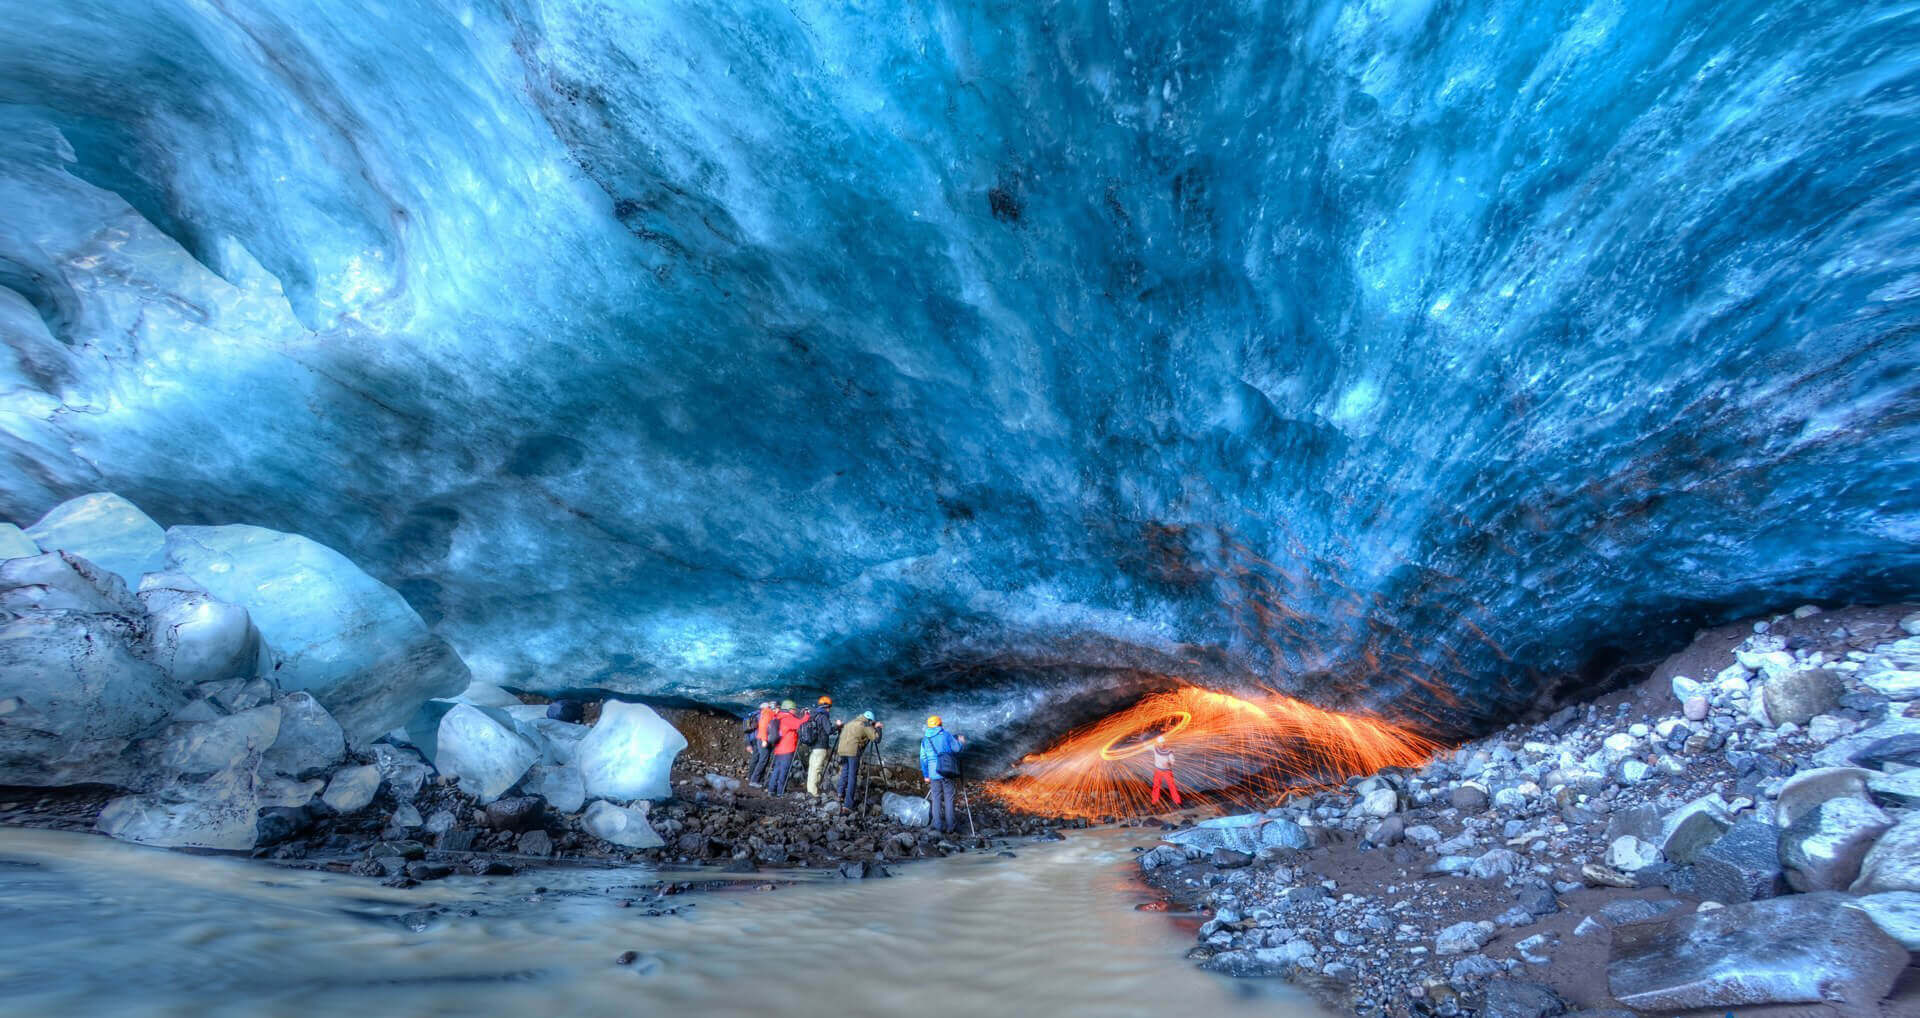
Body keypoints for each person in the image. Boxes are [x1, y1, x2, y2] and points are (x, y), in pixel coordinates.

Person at [918, 715, 966, 834]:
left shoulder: (925, 739)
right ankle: (951, 826)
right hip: (947, 771)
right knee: (949, 798)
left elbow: (923, 759)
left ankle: (938, 825)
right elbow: (957, 749)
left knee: (936, 798)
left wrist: (926, 775)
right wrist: (961, 741)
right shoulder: (946, 735)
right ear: (940, 724)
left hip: (934, 774)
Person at [836, 710, 882, 809]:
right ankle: (848, 804)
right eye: (872, 722)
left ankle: (840, 794)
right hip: (852, 752)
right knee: (852, 776)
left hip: (842, 750)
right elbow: (876, 739)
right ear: (869, 720)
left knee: (845, 771)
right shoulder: (865, 724)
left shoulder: (850, 723)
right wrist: (878, 728)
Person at [766, 699, 805, 794]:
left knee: (776, 770)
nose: (795, 710)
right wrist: (807, 715)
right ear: (790, 709)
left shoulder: (779, 717)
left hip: (778, 749)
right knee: (784, 771)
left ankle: (771, 790)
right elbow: (798, 724)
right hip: (787, 749)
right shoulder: (788, 718)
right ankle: (780, 791)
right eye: (794, 709)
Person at [803, 695, 838, 796]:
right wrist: (837, 726)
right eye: (829, 707)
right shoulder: (823, 716)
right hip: (821, 746)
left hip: (813, 746)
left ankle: (811, 790)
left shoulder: (814, 715)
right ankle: (813, 792)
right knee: (817, 769)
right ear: (826, 707)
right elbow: (829, 730)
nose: (829, 710)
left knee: (812, 768)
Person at [747, 701, 776, 788]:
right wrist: (764, 740)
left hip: (760, 739)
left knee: (762, 760)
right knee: (763, 760)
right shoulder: (768, 714)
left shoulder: (764, 713)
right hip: (763, 739)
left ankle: (756, 779)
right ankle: (754, 780)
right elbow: (763, 727)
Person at [1149, 735, 1182, 807]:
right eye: (1160, 743)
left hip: (1167, 771)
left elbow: (1172, 761)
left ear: (1165, 743)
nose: (1162, 744)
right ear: (1158, 743)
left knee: (1172, 786)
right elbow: (1146, 746)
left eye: (1163, 743)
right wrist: (1142, 742)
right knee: (1156, 786)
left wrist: (1169, 763)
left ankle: (1177, 801)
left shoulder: (1169, 751)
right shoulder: (1155, 748)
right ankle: (1154, 802)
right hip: (1158, 770)